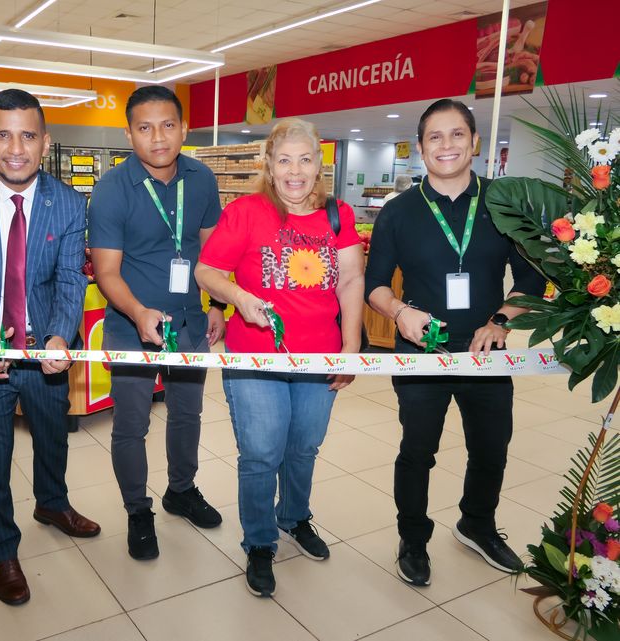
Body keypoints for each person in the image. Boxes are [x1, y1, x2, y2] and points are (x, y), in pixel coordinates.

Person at [365, 98, 545, 587]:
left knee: (491, 447)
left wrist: (501, 320)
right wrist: (400, 313)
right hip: (421, 352)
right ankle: (413, 537)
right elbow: (375, 284)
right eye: (435, 137)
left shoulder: (504, 206)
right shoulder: (398, 212)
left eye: (457, 135)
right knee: (418, 449)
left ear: (475, 142)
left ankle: (477, 524)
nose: (447, 145)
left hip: (486, 351)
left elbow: (533, 278)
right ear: (421, 147)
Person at [0, 89, 100, 606]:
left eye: (28, 135)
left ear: (45, 141)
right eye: (3, 134)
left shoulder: (69, 203)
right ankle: (2, 550)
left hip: (45, 352)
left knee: (53, 438)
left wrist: (59, 332)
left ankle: (52, 503)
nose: (16, 148)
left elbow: (71, 279)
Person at [195, 118, 365, 597]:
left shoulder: (339, 214)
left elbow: (351, 281)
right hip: (255, 357)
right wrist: (238, 297)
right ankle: (260, 541)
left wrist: (350, 350)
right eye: (284, 160)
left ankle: (293, 517)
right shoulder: (247, 212)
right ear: (269, 165)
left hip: (318, 357)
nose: (295, 171)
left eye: (305, 160)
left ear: (319, 165)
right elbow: (207, 270)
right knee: (262, 452)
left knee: (303, 447)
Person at [88, 86, 225, 561]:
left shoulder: (203, 179)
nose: (158, 137)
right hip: (131, 324)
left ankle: (181, 491)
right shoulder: (110, 189)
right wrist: (138, 313)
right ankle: (137, 510)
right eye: (144, 127)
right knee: (131, 423)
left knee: (188, 414)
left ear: (184, 128)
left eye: (168, 125)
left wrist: (217, 305)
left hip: (188, 323)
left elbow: (214, 255)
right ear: (129, 134)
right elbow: (106, 271)